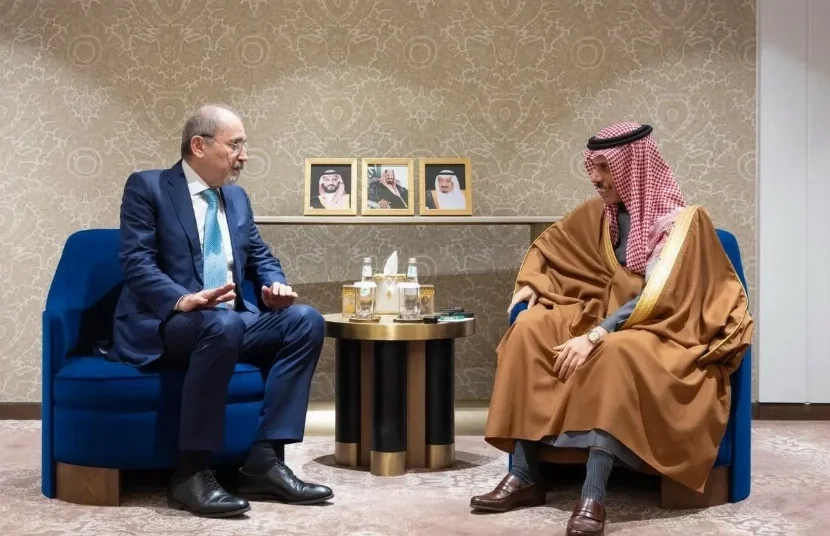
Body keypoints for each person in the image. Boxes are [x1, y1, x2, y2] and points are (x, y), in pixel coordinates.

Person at [469, 122, 753, 536]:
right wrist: (534, 281)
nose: (595, 177)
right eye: (593, 167)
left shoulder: (682, 224)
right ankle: (525, 474)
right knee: (529, 328)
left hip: (665, 330)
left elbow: (660, 297)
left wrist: (594, 336)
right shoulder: (597, 216)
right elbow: (550, 247)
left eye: (604, 167)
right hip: (600, 315)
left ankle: (594, 493)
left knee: (615, 351)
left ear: (633, 168)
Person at [111, 104, 333, 518]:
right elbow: (137, 262)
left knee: (305, 321)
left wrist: (274, 285)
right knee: (221, 324)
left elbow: (260, 255)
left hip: (229, 322)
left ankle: (264, 462)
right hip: (169, 322)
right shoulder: (149, 187)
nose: (243, 156)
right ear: (199, 145)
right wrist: (182, 299)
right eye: (235, 145)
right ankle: (190, 474)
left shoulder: (236, 198)